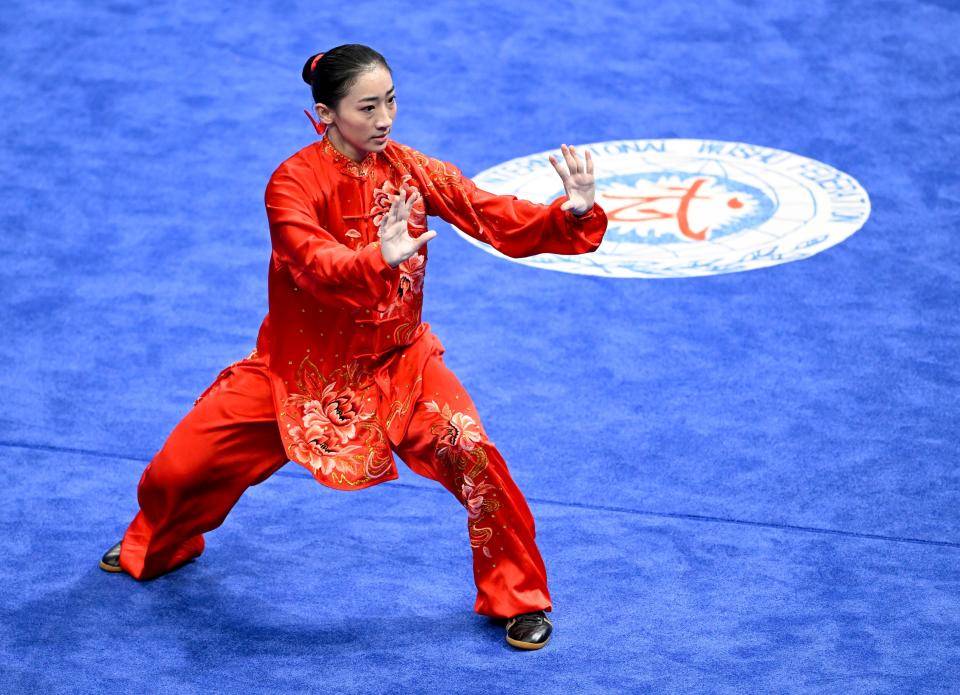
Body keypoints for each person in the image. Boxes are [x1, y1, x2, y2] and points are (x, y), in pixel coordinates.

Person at [99, 43, 607, 651]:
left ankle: (518, 598)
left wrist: (570, 215)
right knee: (180, 469)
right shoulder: (291, 182)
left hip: (401, 367)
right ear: (325, 114)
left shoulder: (413, 170)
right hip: (296, 373)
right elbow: (310, 260)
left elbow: (487, 212)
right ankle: (163, 542)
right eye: (367, 107)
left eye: (391, 100)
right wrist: (377, 258)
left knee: (473, 453)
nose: (385, 119)